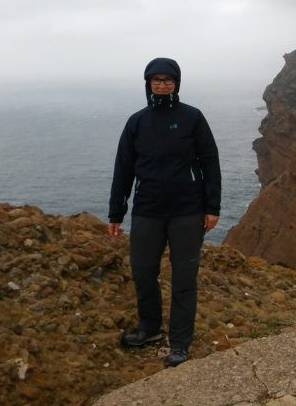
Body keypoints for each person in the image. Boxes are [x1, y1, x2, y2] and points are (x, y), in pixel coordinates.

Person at [107, 57, 221, 368]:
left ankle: (180, 342)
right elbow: (124, 169)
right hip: (148, 209)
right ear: (148, 84)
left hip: (187, 210)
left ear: (176, 83)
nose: (162, 84)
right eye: (156, 80)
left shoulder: (192, 118)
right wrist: (116, 212)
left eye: (167, 80)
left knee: (184, 278)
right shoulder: (137, 122)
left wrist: (212, 207)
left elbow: (210, 161)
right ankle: (149, 328)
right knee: (144, 272)